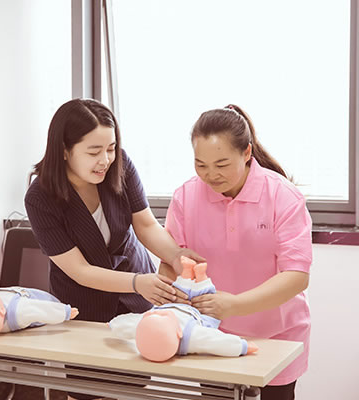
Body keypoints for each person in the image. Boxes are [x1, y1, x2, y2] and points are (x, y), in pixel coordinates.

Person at [24, 98, 203, 400]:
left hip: (136, 294)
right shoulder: (40, 197)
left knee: (134, 385)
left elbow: (145, 224)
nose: (105, 160)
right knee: (87, 388)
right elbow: (79, 270)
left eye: (110, 148)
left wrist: (175, 255)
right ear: (64, 150)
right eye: (94, 152)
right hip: (85, 303)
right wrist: (137, 283)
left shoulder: (119, 164)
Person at [162, 104, 311, 400]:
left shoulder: (282, 196)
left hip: (278, 336)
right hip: (210, 334)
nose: (210, 175)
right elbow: (171, 259)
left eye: (221, 164)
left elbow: (296, 276)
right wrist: (169, 296)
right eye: (201, 164)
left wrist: (234, 305)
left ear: (246, 153)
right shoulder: (186, 196)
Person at [109, 256, 258, 362]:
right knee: (205, 294)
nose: (161, 315)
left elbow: (124, 324)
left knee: (178, 290)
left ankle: (187, 271)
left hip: (174, 302)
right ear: (178, 333)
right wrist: (243, 347)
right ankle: (201, 274)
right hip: (199, 312)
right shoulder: (191, 335)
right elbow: (218, 342)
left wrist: (112, 324)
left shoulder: (143, 324)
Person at [0, 286, 79, 339]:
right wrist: (65, 312)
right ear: (1, 311)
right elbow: (42, 309)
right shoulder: (18, 311)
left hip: (12, 292)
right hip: (38, 299)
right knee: (37, 310)